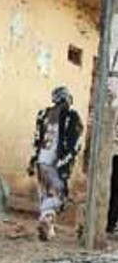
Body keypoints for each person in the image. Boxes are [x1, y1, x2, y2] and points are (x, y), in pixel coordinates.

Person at [28, 86, 83, 241]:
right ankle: (46, 220)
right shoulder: (71, 116)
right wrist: (65, 162)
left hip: (41, 161)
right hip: (56, 163)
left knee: (44, 194)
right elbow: (75, 144)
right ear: (66, 99)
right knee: (60, 196)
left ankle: (48, 228)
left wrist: (32, 160)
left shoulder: (43, 114)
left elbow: (37, 139)